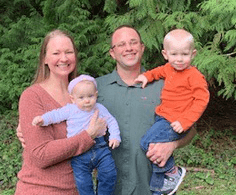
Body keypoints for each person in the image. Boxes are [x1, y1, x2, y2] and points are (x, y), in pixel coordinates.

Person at [17, 25, 197, 195]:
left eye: (133, 42)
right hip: (108, 188)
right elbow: (44, 145)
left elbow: (190, 128)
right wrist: (26, 128)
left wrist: (172, 145)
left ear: (142, 48)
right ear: (112, 53)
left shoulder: (165, 87)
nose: (128, 48)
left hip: (150, 186)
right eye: (121, 44)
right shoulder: (94, 90)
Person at [15, 30, 107, 195]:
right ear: (45, 59)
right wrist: (88, 136)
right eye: (56, 53)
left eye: (69, 52)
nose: (63, 58)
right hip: (40, 190)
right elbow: (41, 155)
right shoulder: (33, 96)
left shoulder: (86, 94)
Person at [134, 29, 210, 194]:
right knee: (155, 148)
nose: (180, 59)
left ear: (193, 53)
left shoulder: (194, 76)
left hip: (175, 121)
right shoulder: (168, 68)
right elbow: (157, 72)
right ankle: (159, 187)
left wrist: (185, 122)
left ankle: (173, 172)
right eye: (174, 54)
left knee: (146, 142)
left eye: (184, 54)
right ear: (165, 54)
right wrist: (146, 76)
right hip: (163, 118)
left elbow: (202, 100)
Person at [32, 74, 121, 195]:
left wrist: (115, 136)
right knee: (83, 183)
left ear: (96, 94)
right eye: (81, 97)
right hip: (79, 152)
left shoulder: (99, 108)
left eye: (90, 96)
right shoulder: (71, 109)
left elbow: (111, 121)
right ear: (73, 99)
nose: (87, 100)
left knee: (109, 173)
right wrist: (43, 119)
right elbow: (56, 115)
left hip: (100, 148)